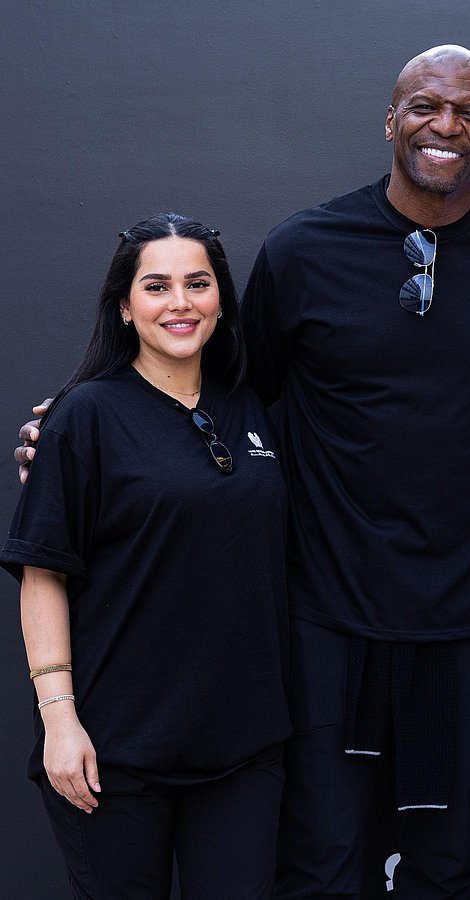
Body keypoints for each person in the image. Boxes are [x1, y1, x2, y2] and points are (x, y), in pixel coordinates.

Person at [16, 46, 470, 898]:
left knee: (450, 860)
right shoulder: (306, 250)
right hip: (322, 615)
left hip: (463, 618)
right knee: (320, 858)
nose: (444, 126)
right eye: (425, 106)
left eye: (468, 114)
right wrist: (84, 433)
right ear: (390, 121)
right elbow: (226, 394)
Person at [1, 213, 290, 899]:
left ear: (222, 297)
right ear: (125, 307)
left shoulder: (252, 407)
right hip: (117, 751)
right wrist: (59, 720)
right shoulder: (83, 416)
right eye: (156, 287)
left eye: (198, 283)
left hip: (242, 750)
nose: (180, 303)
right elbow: (42, 574)